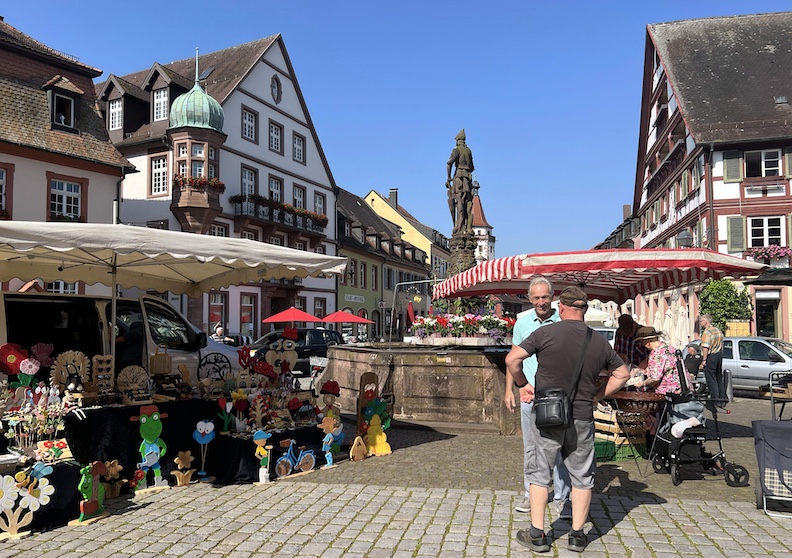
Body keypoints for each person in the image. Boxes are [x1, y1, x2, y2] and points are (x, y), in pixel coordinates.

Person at [505, 286, 629, 553]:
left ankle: (538, 535)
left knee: (540, 474)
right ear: (583, 309)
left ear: (560, 307)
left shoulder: (545, 333)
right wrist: (596, 396)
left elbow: (512, 359)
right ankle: (576, 535)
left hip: (548, 415)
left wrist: (523, 384)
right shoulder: (598, 341)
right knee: (582, 476)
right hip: (582, 416)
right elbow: (622, 374)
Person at [503, 276, 572, 519]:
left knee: (562, 448)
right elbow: (513, 358)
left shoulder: (564, 320)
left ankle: (563, 497)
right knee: (531, 447)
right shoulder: (522, 324)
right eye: (536, 297)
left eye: (545, 297)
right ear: (530, 299)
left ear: (553, 297)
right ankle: (530, 491)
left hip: (558, 394)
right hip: (529, 393)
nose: (541, 302)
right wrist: (509, 389)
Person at [633, 326, 693, 395]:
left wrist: (642, 383)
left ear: (647, 342)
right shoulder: (670, 348)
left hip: (669, 393)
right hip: (684, 388)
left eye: (642, 342)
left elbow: (655, 378)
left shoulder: (657, 353)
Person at [446, 129, 475, 235]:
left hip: (458, 178)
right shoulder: (468, 151)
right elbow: (472, 167)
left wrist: (448, 178)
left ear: (458, 140)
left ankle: (459, 226)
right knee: (467, 202)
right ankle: (467, 226)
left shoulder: (456, 150)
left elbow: (449, 163)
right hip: (467, 178)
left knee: (459, 201)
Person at [698, 314, 728, 411]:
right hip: (719, 355)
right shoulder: (717, 330)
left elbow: (705, 347)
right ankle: (722, 398)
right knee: (719, 377)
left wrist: (704, 360)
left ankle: (715, 399)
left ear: (706, 321)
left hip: (711, 356)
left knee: (711, 379)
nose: (700, 322)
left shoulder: (707, 332)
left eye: (701, 321)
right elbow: (722, 344)